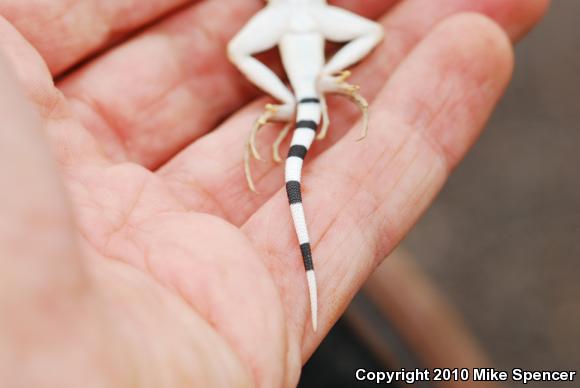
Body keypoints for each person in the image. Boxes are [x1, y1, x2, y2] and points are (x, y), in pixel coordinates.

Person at [0, 1, 548, 386]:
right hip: (305, 94)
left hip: (302, 95)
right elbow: (361, 37)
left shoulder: (280, 18)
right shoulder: (288, 17)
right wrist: (306, 84)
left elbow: (268, 49)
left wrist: (298, 88)